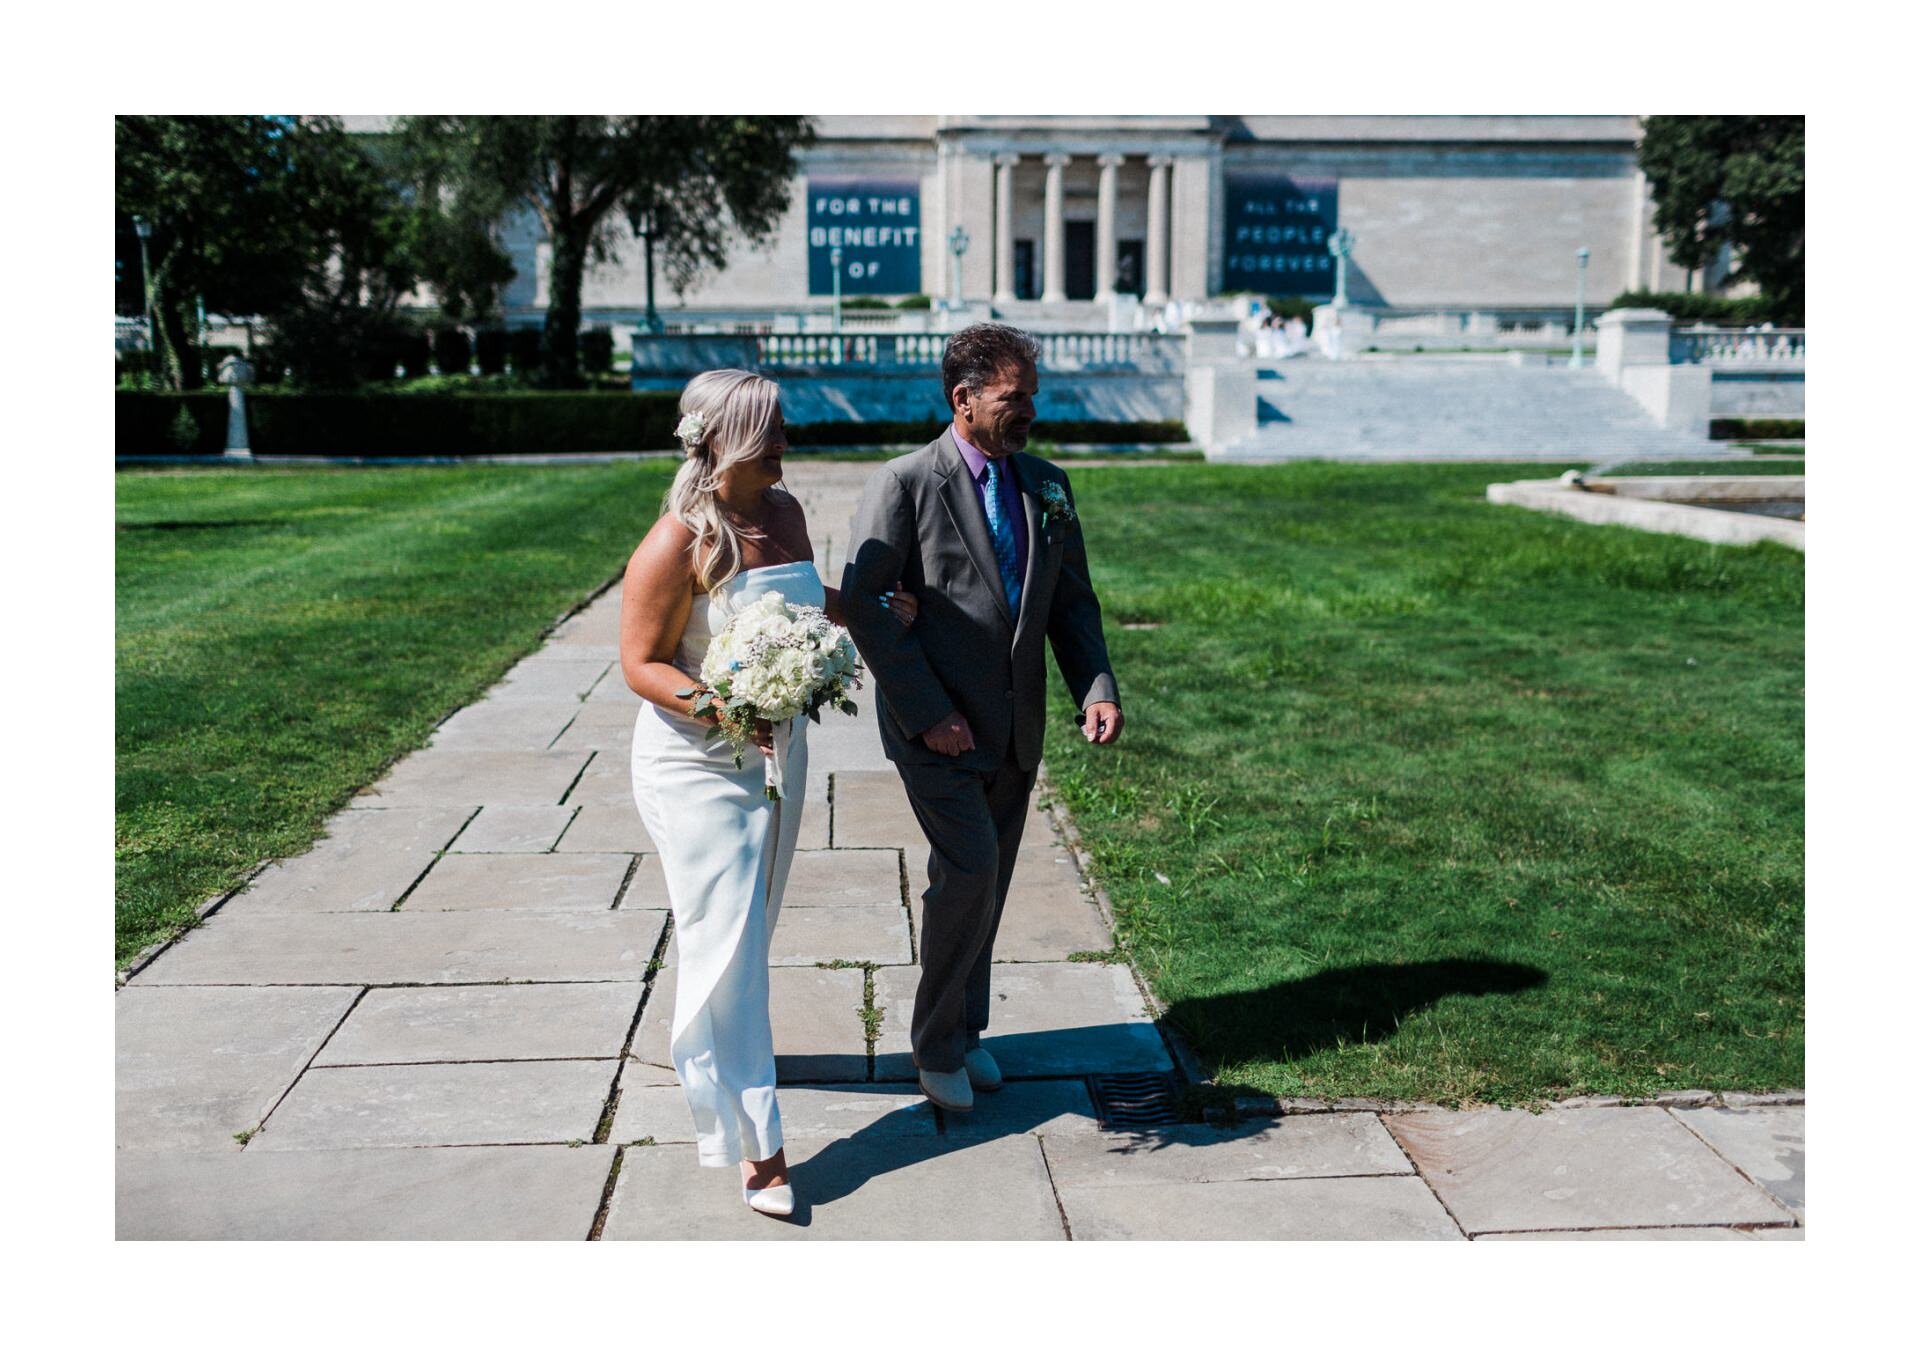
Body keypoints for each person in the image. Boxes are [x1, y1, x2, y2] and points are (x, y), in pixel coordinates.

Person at [620, 369, 916, 1215]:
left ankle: (709, 1052)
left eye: (784, 424)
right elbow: (640, 664)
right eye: (770, 427)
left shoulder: (783, 513)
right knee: (736, 949)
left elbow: (789, 608)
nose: (787, 438)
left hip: (779, 758)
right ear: (719, 441)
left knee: (742, 933)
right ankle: (760, 1150)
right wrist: (727, 708)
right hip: (695, 766)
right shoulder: (677, 541)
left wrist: (860, 611)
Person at [840, 323, 1123, 1114]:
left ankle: (966, 1032)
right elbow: (865, 604)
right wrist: (929, 715)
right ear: (963, 400)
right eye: (1014, 397)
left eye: (1033, 394)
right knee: (967, 872)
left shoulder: (1047, 483)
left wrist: (1095, 687)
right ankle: (933, 1047)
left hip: (1015, 729)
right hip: (934, 726)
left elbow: (1072, 605)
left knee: (986, 886)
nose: (1030, 409)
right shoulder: (903, 483)